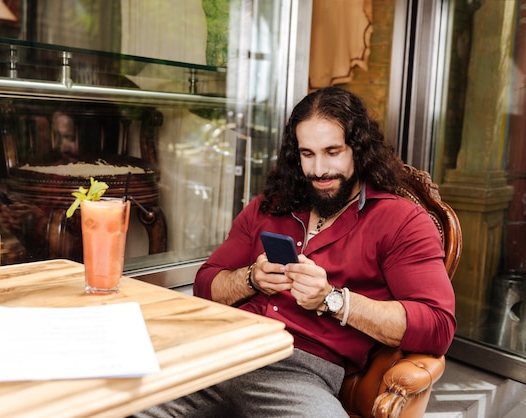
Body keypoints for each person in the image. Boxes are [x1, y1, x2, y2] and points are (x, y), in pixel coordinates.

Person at [134, 86, 456, 417]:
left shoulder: (401, 221)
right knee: (115, 405)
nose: (318, 170)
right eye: (307, 154)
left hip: (300, 373)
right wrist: (250, 279)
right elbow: (206, 284)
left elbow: (438, 326)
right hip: (219, 352)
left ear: (359, 150)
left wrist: (334, 300)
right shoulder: (271, 205)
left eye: (333, 152)